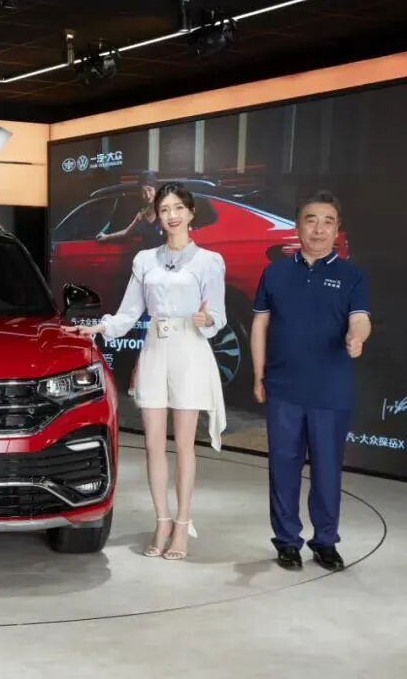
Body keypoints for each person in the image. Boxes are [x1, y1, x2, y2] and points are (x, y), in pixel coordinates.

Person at [69, 182, 227, 560]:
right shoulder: (144, 260)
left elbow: (217, 315)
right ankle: (162, 521)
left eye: (178, 208)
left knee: (184, 445)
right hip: (155, 349)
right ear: (156, 215)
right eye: (165, 209)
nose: (171, 216)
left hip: (190, 350)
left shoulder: (209, 261)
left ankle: (183, 524)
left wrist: (206, 319)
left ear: (190, 213)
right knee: (153, 444)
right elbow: (129, 312)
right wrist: (100, 327)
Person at [251, 190, 370, 572]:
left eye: (327, 222)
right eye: (311, 220)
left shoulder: (352, 275)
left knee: (327, 470)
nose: (319, 229)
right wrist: (258, 373)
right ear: (297, 225)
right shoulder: (275, 272)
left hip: (330, 390)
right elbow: (260, 323)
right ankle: (287, 541)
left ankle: (325, 541)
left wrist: (357, 336)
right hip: (284, 387)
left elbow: (360, 318)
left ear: (337, 228)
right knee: (283, 468)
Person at [95, 170, 163, 249]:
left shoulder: (165, 210)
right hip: (148, 255)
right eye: (143, 191)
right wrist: (107, 237)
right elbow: (126, 233)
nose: (147, 195)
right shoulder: (142, 215)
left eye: (150, 190)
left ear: (155, 189)